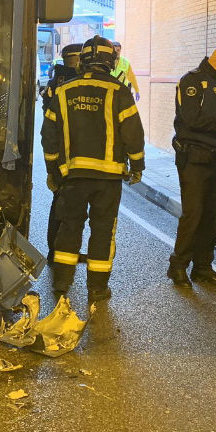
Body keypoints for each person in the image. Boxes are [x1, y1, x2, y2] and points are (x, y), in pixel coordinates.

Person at [41, 36, 145, 303]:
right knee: (103, 230)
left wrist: (53, 171)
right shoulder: (119, 91)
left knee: (69, 226)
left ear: (83, 60)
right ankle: (97, 289)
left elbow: (49, 135)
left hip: (73, 175)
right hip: (108, 178)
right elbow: (133, 131)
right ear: (110, 61)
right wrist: (137, 165)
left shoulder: (65, 91)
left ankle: (62, 284)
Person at [168, 45, 216, 287]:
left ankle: (203, 267)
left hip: (213, 156)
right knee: (194, 213)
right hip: (193, 157)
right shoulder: (192, 81)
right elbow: (191, 118)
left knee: (212, 215)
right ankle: (178, 266)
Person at [43, 43, 83, 251]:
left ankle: (56, 249)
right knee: (69, 206)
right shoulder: (76, 83)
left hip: (60, 154)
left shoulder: (54, 81)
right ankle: (61, 250)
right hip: (74, 153)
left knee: (60, 202)